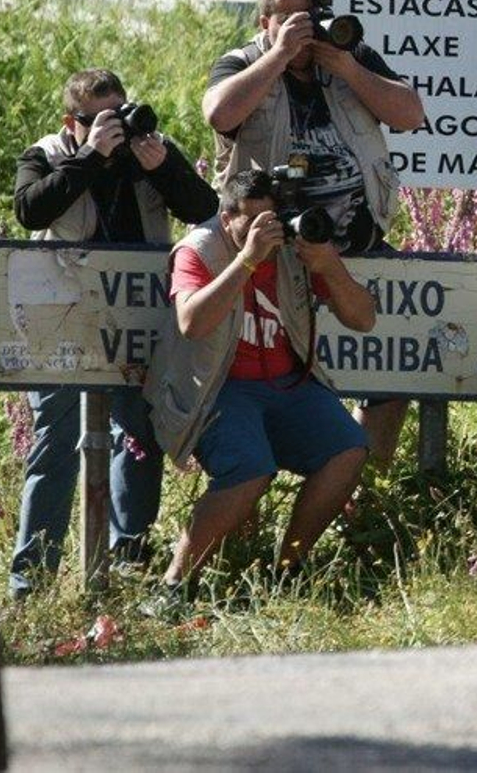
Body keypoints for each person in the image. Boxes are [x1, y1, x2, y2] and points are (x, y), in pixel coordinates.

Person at [202, 0, 425, 467]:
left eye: (308, 16)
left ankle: (364, 480)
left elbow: (410, 114)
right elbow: (219, 113)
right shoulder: (244, 62)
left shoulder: (346, 55)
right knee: (284, 372)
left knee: (392, 369)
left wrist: (347, 67)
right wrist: (280, 56)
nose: (301, 27)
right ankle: (289, 466)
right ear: (264, 21)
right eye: (287, 18)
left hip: (358, 244)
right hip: (274, 256)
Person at [9, 68, 217, 597]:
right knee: (54, 440)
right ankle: (32, 577)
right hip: (62, 319)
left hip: (133, 319)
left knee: (138, 436)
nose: (115, 129)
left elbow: (204, 210)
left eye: (118, 114)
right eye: (98, 119)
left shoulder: (148, 151)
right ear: (71, 122)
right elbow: (30, 209)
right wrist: (88, 157)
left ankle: (129, 559)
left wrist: (164, 168)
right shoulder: (48, 153)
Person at [143, 169, 375, 598]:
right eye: (251, 222)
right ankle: (173, 585)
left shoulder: (290, 246)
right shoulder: (198, 249)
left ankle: (287, 569)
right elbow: (192, 323)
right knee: (249, 469)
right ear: (226, 217)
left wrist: (329, 265)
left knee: (349, 449)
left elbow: (363, 319)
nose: (263, 231)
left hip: (288, 383)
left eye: (270, 219)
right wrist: (246, 261)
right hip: (218, 388)